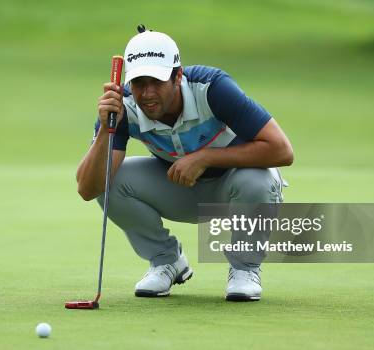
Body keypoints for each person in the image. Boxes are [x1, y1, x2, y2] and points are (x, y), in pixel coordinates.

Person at [76, 27, 293, 301]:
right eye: (139, 83)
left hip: (236, 190)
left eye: (156, 81)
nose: (147, 93)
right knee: (110, 179)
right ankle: (166, 260)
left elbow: (282, 150)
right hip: (178, 189)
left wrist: (206, 157)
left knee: (259, 180)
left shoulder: (212, 88)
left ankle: (244, 268)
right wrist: (107, 132)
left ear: (178, 76)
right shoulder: (122, 106)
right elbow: (88, 188)